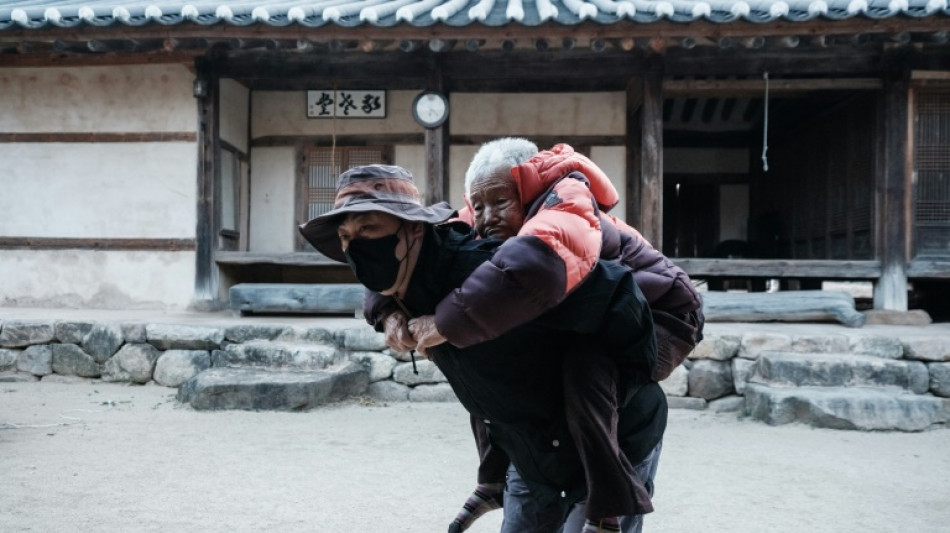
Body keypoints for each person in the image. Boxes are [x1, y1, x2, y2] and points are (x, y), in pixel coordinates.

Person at [298, 165, 666, 533]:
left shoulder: (495, 276)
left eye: (368, 229)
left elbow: (619, 292)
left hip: (611, 450)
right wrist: (383, 313)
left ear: (412, 228)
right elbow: (377, 287)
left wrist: (623, 383)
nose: (355, 245)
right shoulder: (398, 292)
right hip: (530, 456)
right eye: (346, 236)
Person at [398, 139, 705, 533]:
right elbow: (424, 248)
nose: (487, 217)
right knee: (479, 356)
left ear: (528, 192)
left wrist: (443, 323)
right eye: (479, 205)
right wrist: (388, 311)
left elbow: (537, 262)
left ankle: (607, 502)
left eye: (501, 202)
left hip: (665, 316)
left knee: (586, 366)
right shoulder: (490, 220)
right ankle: (493, 480)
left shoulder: (565, 204)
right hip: (552, 416)